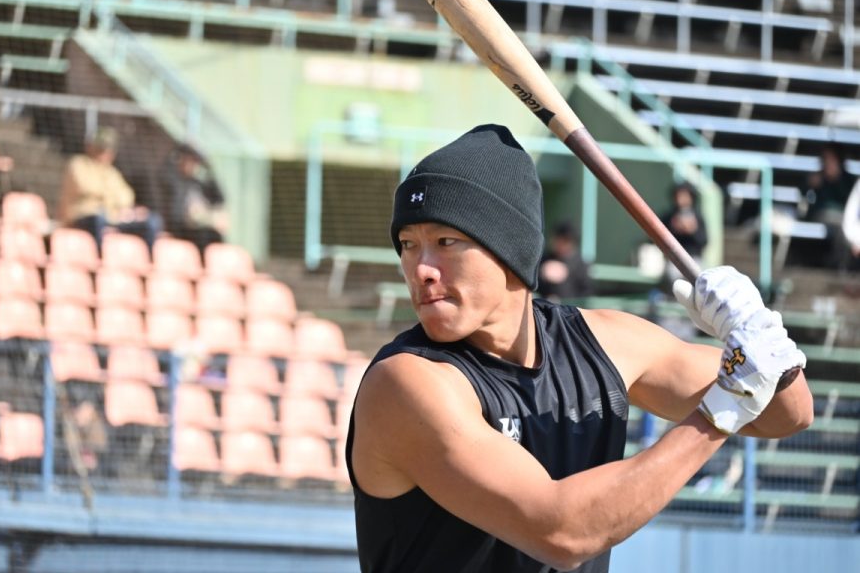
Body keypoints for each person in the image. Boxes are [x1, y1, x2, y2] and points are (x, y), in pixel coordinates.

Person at [346, 124, 812, 573]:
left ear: (509, 248)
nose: (420, 269)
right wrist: (721, 410)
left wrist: (762, 338)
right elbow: (562, 534)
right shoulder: (407, 383)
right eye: (408, 244)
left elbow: (787, 416)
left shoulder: (608, 341)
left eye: (445, 241)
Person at [57, 127, 163, 250]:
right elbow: (86, 187)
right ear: (90, 147)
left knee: (151, 222)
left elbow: (127, 196)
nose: (104, 153)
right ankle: (98, 256)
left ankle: (146, 258)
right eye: (101, 148)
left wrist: (122, 209)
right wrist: (113, 199)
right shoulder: (78, 164)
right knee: (98, 220)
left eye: (107, 149)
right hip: (81, 218)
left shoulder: (112, 172)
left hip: (112, 218)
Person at [160, 143, 228, 257]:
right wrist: (179, 152)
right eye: (189, 160)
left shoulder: (197, 183)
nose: (191, 165)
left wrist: (208, 167)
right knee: (203, 235)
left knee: (214, 235)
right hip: (180, 228)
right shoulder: (173, 181)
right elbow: (165, 170)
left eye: (195, 162)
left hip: (198, 228)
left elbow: (219, 198)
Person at [660, 181, 707, 282]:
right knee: (673, 277)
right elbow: (658, 239)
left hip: (694, 258)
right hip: (674, 259)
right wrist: (674, 229)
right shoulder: (669, 216)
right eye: (678, 196)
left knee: (698, 279)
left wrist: (692, 231)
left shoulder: (697, 217)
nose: (681, 199)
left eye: (684, 196)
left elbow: (704, 241)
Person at [538, 220, 593, 302]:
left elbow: (587, 292)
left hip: (571, 306)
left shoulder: (580, 264)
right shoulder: (545, 258)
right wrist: (542, 274)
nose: (561, 244)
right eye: (559, 239)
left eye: (565, 241)